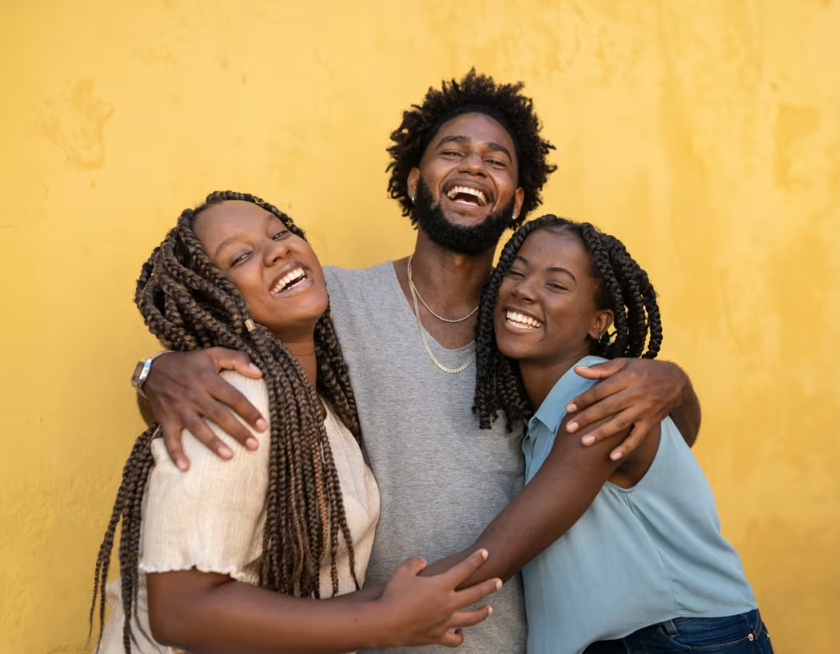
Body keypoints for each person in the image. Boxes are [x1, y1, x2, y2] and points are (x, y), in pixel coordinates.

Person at [137, 71, 702, 653]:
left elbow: (647, 435)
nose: (474, 165)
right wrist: (155, 373)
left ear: (517, 203)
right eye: (452, 152)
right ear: (414, 183)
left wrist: (674, 384)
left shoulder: (528, 326)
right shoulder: (328, 301)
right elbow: (230, 358)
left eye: (496, 160)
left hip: (505, 641)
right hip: (374, 636)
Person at [91, 192, 501, 653]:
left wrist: (396, 606)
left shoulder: (316, 406)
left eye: (280, 233)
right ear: (210, 299)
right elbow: (179, 609)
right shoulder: (234, 401)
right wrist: (381, 620)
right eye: (240, 256)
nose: (278, 250)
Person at [422, 215, 773, 654]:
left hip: (680, 640)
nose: (525, 290)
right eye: (516, 272)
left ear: (597, 321)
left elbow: (493, 558)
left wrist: (358, 614)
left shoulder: (600, 402)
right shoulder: (548, 415)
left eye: (557, 285)